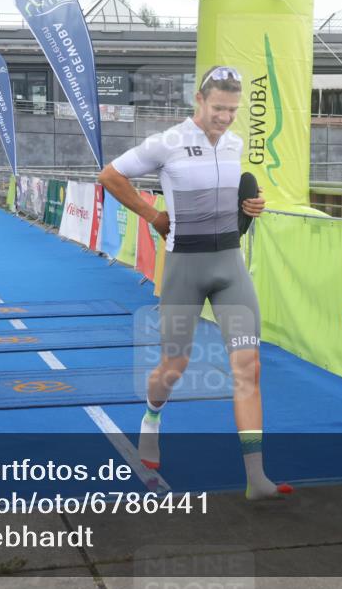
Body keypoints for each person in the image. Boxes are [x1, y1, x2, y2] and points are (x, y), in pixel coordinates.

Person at [98, 66, 290, 501]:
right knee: (174, 368)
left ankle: (256, 477)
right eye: (219, 108)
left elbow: (233, 196)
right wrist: (153, 216)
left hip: (229, 267)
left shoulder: (237, 142)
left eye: (233, 110)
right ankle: (151, 418)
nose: (226, 117)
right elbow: (110, 176)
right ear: (199, 101)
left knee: (249, 367)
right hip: (184, 267)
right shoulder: (167, 142)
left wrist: (251, 205)